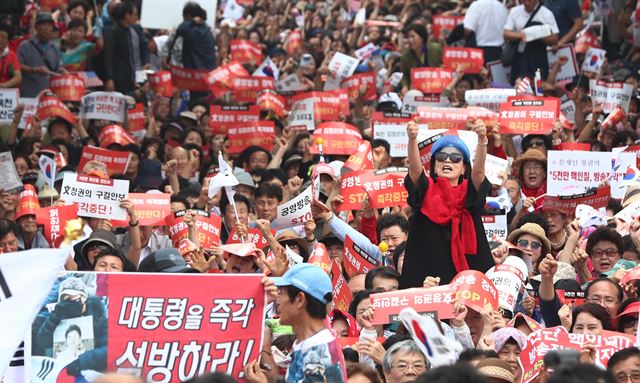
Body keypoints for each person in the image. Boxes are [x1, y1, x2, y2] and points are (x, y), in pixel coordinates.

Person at [401, 119, 494, 287]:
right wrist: (412, 140)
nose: (448, 161)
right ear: (434, 166)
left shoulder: (470, 191)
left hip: (468, 272)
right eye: (441, 157)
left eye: (455, 158)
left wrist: (482, 141)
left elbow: (479, 171)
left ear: (464, 168)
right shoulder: (425, 189)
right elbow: (415, 170)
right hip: (429, 274)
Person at [245, 264, 346, 382]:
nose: (277, 300)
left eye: (281, 293)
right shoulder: (308, 342)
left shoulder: (319, 356)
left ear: (299, 299)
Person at [503, 0, 559, 83]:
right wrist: (522, 35)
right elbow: (506, 33)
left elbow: (555, 39)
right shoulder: (515, 11)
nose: (526, 3)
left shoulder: (546, 14)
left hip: (538, 59)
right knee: (519, 85)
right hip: (520, 58)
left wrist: (537, 35)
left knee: (539, 86)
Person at [17, 12, 62, 97]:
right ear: (36, 27)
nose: (46, 28)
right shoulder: (25, 46)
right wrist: (34, 70)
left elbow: (57, 68)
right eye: (44, 25)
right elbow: (18, 66)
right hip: (29, 93)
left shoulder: (55, 48)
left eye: (49, 26)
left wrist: (63, 71)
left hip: (49, 94)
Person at [400, 24, 443, 90]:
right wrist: (404, 86)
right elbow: (404, 75)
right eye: (408, 37)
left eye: (413, 36)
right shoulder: (406, 56)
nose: (410, 40)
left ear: (422, 37)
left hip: (436, 85)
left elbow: (444, 66)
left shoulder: (435, 49)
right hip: (416, 90)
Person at [0, 23, 21, 88]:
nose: (0, 39)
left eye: (3, 37)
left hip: (6, 93)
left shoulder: (12, 55)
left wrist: (3, 86)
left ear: (8, 41)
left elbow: (18, 77)